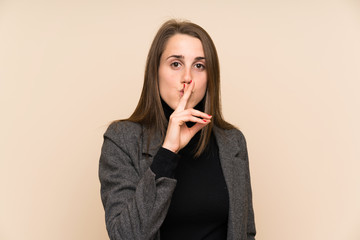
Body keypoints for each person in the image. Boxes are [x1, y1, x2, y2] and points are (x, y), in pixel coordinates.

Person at [99, 19, 256, 240]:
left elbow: (246, 232)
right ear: (155, 71)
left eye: (199, 66)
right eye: (176, 64)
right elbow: (126, 235)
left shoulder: (233, 142)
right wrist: (168, 152)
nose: (187, 78)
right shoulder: (122, 139)